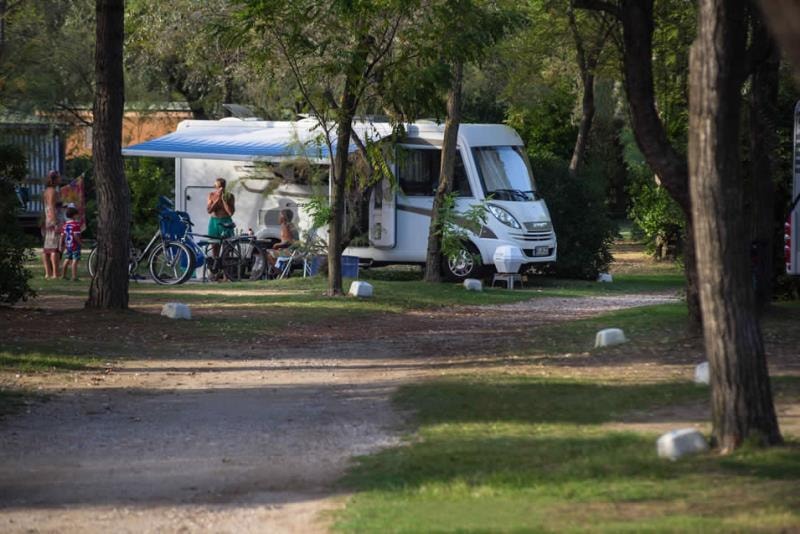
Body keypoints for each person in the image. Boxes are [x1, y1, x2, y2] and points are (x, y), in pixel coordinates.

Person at [206, 178, 235, 279]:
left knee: (227, 247)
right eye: (216, 186)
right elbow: (209, 210)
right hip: (214, 222)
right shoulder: (211, 195)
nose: (217, 188)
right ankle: (215, 272)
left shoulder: (229, 196)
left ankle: (227, 274)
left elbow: (230, 212)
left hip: (226, 221)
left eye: (219, 187)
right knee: (215, 247)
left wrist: (223, 200)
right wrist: (216, 200)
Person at [41, 170, 62, 279]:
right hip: (53, 221)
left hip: (47, 220)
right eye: (59, 177)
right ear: (54, 179)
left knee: (47, 248)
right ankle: (55, 273)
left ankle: (48, 273)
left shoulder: (46, 191)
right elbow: (52, 207)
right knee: (54, 248)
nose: (60, 179)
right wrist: (55, 222)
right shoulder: (52, 191)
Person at [267, 209, 298, 274]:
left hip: (290, 253)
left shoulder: (286, 226)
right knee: (272, 252)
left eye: (280, 215)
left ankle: (281, 273)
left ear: (283, 217)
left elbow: (288, 242)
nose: (278, 217)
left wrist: (277, 245)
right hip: (294, 251)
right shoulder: (291, 225)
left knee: (268, 255)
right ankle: (282, 271)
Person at [60, 205, 82, 281]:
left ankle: (63, 275)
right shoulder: (76, 225)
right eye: (77, 214)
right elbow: (75, 235)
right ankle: (74, 276)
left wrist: (61, 245)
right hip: (75, 245)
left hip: (68, 245)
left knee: (67, 259)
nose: (78, 215)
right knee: (75, 260)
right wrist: (80, 243)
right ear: (74, 215)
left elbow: (62, 236)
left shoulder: (65, 225)